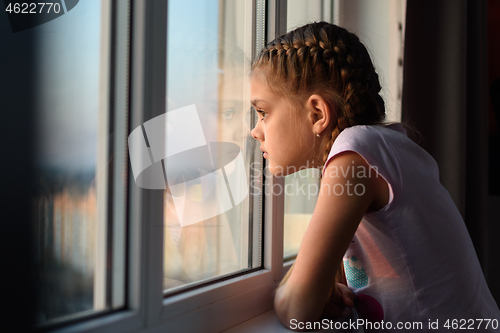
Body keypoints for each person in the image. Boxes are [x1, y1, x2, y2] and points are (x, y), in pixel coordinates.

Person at [250, 22, 500, 332]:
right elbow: (338, 278)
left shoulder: (356, 153)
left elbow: (297, 311)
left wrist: (287, 294)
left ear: (317, 114)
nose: (255, 130)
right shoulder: (389, 147)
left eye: (263, 112)